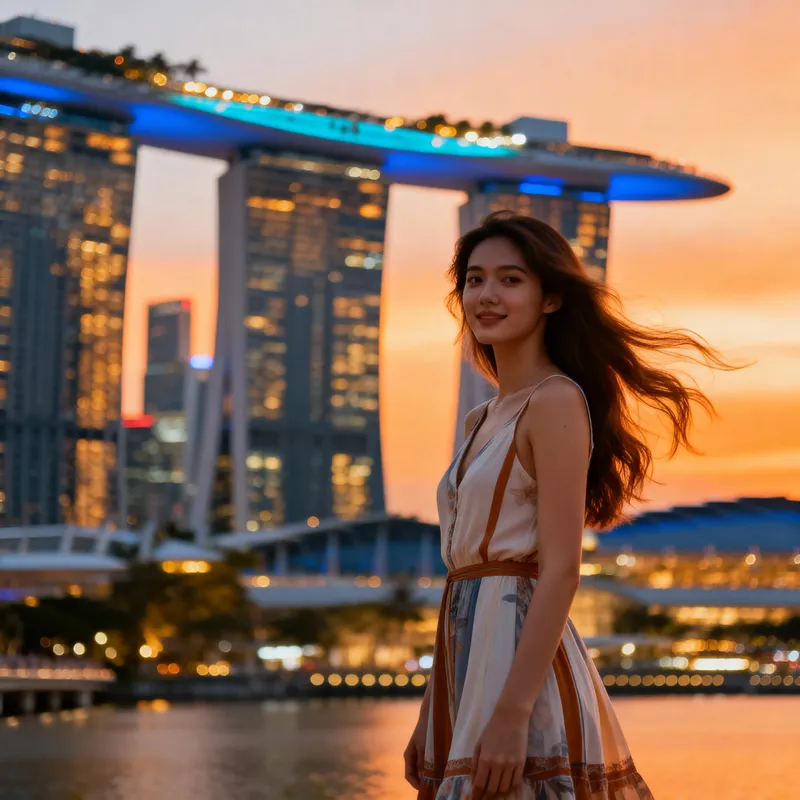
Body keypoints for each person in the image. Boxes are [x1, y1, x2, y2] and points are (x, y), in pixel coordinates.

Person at [403, 211, 733, 799]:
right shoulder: (482, 418)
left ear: (551, 298)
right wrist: (432, 710)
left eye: (510, 279)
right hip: (466, 671)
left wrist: (512, 713)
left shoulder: (554, 401)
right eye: (475, 280)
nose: (487, 294)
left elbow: (560, 569)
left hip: (521, 676)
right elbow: (464, 582)